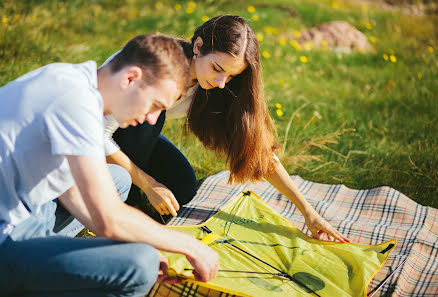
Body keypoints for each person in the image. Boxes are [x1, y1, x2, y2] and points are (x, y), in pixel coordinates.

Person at [0, 34, 219, 297]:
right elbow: (108, 220)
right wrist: (189, 245)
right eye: (154, 105)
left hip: (24, 213)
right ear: (130, 78)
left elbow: (73, 193)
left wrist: (134, 239)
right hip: (9, 235)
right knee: (140, 266)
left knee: (117, 183)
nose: (152, 119)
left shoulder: (73, 82)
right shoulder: (74, 105)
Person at [105, 15, 350, 242]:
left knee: (183, 185)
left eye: (231, 76)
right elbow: (94, 132)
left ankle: (133, 193)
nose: (222, 83)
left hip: (134, 134)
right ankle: (126, 201)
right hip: (93, 134)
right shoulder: (154, 62)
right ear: (198, 46)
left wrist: (308, 212)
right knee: (151, 120)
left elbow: (256, 151)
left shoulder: (212, 85)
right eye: (218, 69)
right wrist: (147, 184)